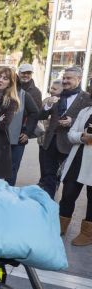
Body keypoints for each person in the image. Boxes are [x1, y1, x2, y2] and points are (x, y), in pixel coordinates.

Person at [39, 67, 92, 201]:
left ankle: (63, 210)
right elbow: (41, 115)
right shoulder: (56, 95)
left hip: (71, 145)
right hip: (50, 142)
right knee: (48, 177)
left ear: (79, 79)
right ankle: (48, 204)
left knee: (68, 183)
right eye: (64, 78)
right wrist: (47, 106)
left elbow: (87, 119)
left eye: (69, 78)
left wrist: (72, 121)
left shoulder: (86, 98)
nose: (65, 81)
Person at [59, 105, 92, 245]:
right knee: (68, 194)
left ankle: (88, 233)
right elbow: (71, 134)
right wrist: (82, 137)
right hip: (77, 159)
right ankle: (60, 226)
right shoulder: (85, 110)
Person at [7, 67, 39, 186]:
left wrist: (27, 132)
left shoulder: (24, 95)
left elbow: (35, 113)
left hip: (17, 139)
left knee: (12, 169)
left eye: (9, 79)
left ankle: (8, 194)